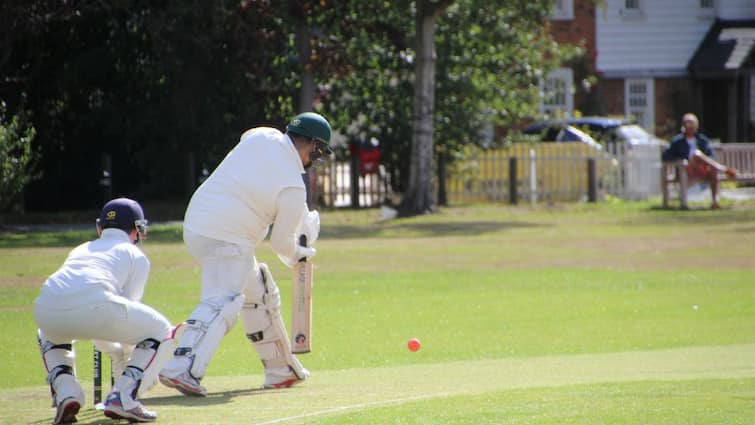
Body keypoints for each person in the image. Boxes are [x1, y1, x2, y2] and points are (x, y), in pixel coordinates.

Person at [158, 112, 332, 396]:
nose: (316, 159)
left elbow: (256, 160)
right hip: (229, 235)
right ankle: (181, 367)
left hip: (198, 223)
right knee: (224, 301)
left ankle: (281, 369)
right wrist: (302, 251)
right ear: (313, 145)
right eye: (319, 151)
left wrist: (299, 217)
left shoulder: (261, 135)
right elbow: (281, 245)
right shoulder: (292, 187)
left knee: (260, 291)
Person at [34, 198, 182, 424]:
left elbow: (85, 305)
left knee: (49, 335)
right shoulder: (135, 255)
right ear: (137, 230)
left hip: (46, 309)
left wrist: (109, 346)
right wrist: (118, 354)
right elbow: (125, 311)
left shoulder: (81, 248)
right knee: (162, 331)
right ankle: (123, 396)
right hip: (97, 308)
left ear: (100, 227)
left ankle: (67, 392)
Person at [662, 113, 737, 209]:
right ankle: (723, 169)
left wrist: (703, 162)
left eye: (692, 124)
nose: (689, 127)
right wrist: (682, 161)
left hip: (701, 169)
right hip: (686, 170)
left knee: (712, 170)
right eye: (687, 124)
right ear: (683, 125)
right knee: (697, 154)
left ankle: (715, 202)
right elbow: (666, 156)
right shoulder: (677, 141)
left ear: (696, 126)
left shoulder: (702, 140)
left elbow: (710, 155)